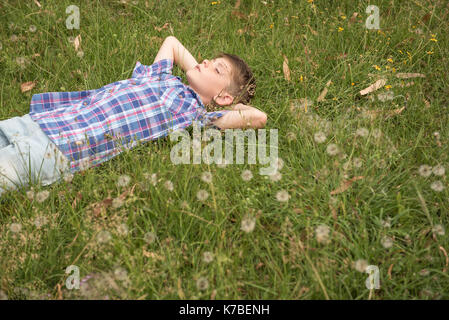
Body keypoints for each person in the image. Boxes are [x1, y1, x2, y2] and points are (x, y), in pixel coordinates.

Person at [0, 36, 267, 196]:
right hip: (43, 120)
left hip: (58, 148)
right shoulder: (159, 75)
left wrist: (217, 103)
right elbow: (172, 43)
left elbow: (258, 118)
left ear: (224, 98)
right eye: (209, 59)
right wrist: (204, 74)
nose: (206, 62)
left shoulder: (192, 115)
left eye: (217, 69)